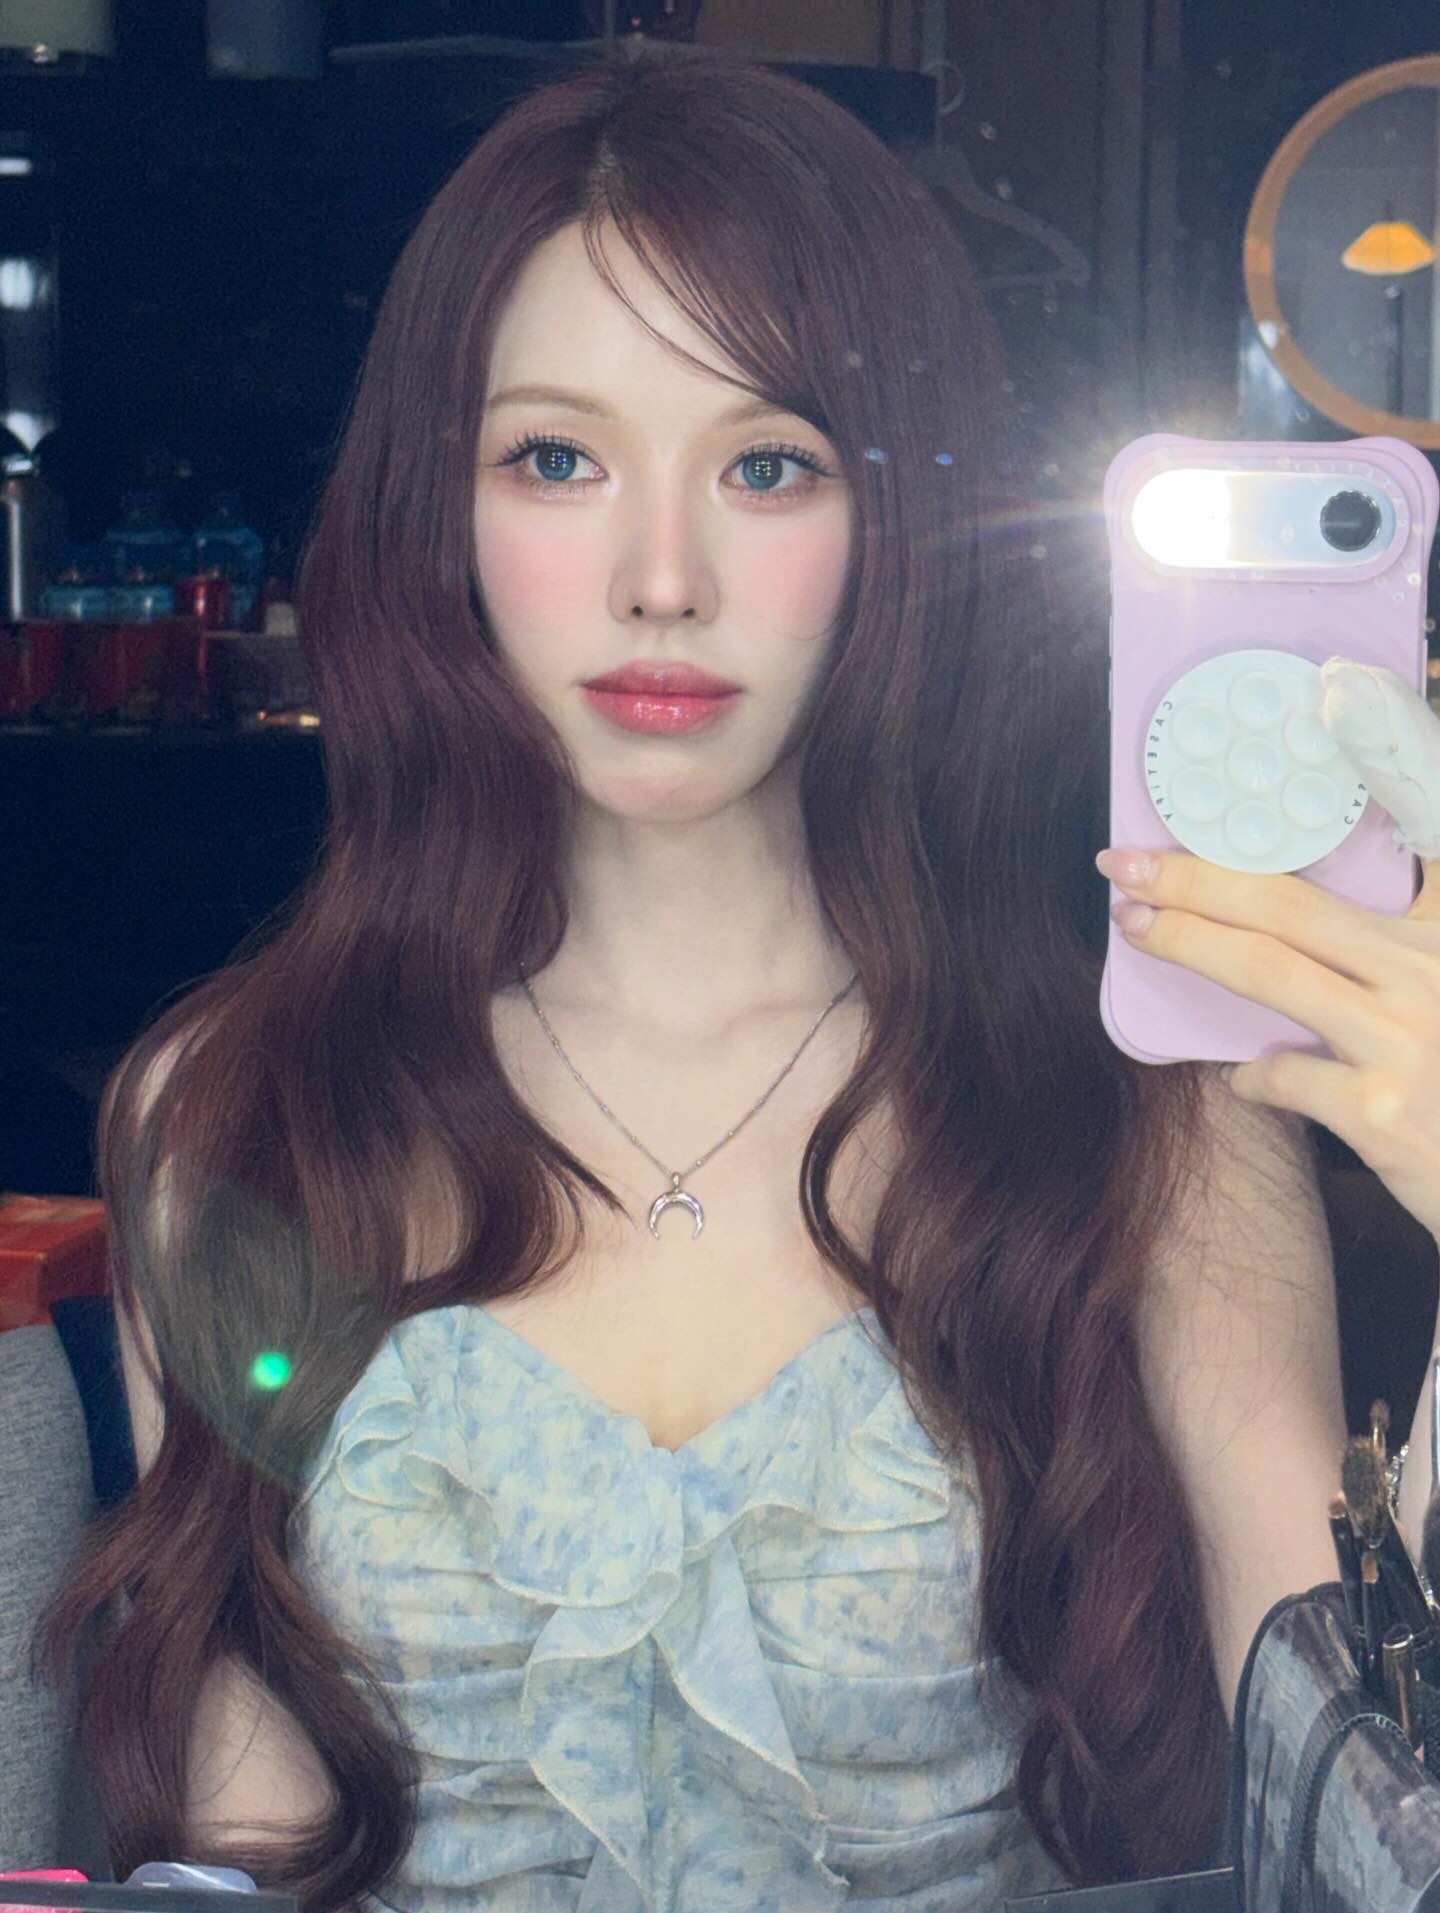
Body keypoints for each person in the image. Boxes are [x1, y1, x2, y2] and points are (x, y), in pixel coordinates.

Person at [36, 49, 1378, 1913]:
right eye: (557, 459)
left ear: (897, 516)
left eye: (766, 465)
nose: (659, 577)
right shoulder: (241, 1108)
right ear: (442, 511)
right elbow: (245, 1846)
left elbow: (1349, 1812)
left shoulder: (1141, 1103)